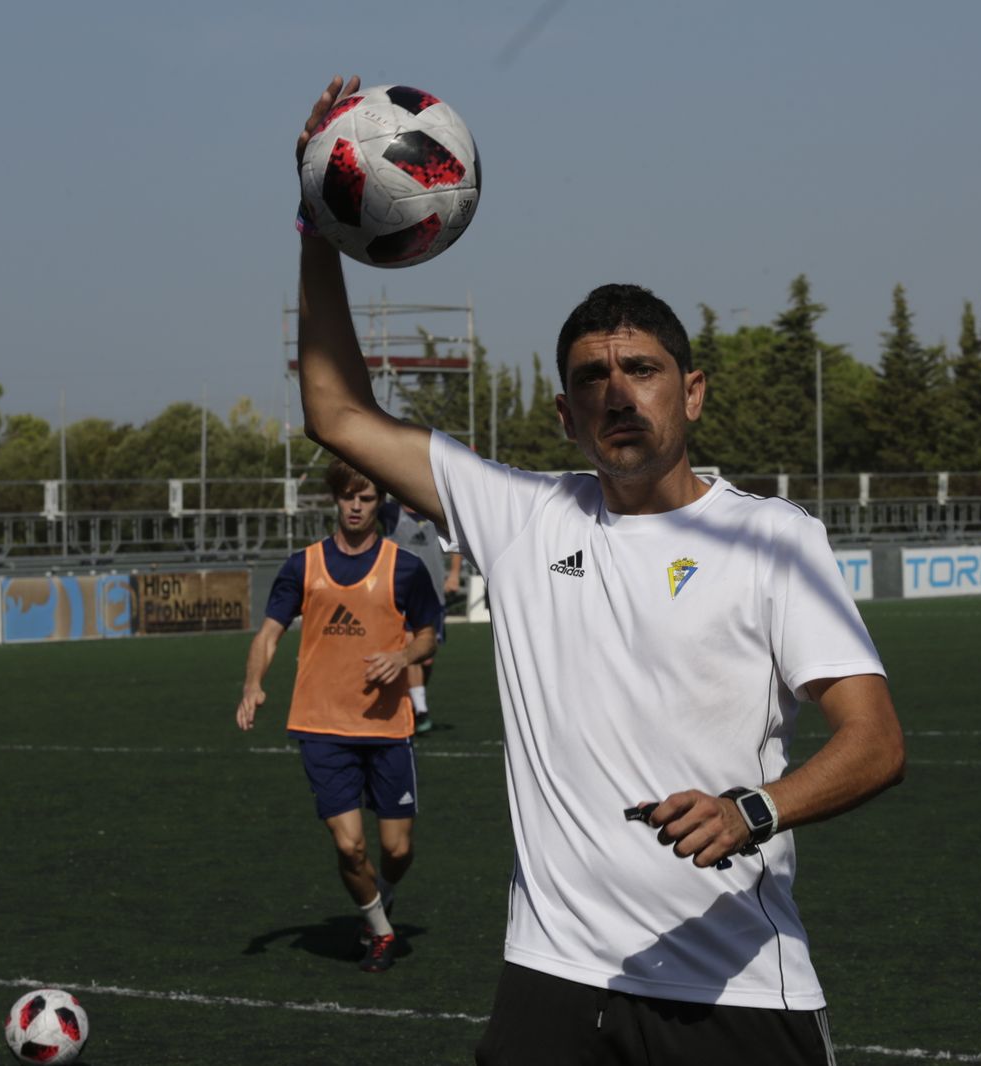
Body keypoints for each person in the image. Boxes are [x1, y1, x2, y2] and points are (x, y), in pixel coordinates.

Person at [294, 75, 904, 1066]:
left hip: (735, 988)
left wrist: (753, 808)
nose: (618, 392)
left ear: (692, 392)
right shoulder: (526, 517)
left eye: (643, 369)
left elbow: (874, 742)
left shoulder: (772, 537)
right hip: (553, 980)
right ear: (564, 416)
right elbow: (338, 414)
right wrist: (318, 215)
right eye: (591, 379)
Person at [235, 458, 442, 972]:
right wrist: (253, 684)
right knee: (350, 847)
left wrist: (402, 657)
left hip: (387, 728)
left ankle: (381, 900)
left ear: (380, 504)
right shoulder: (303, 566)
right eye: (348, 496)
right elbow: (268, 633)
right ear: (335, 498)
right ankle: (380, 932)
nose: (356, 506)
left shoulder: (405, 568)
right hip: (322, 726)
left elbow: (426, 634)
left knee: (396, 849)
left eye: (367, 498)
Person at [377, 496, 462, 733]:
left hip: (434, 597)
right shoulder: (391, 514)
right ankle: (421, 711)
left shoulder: (436, 512)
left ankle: (413, 702)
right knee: (411, 648)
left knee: (426, 658)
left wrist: (454, 574)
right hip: (402, 597)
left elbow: (458, 541)